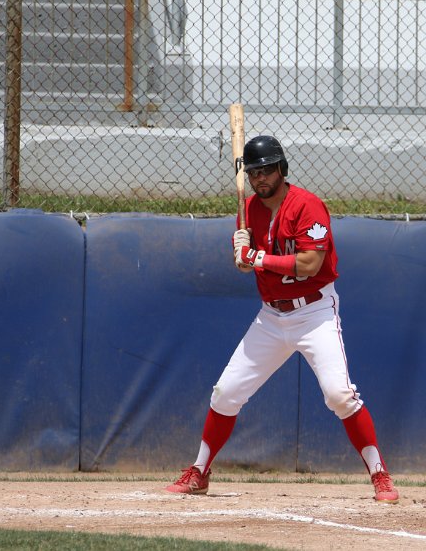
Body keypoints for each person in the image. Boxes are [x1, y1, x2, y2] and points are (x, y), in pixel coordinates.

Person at [166, 135, 399, 503]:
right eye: (254, 172)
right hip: (272, 317)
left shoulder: (308, 206)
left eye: (267, 170)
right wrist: (241, 254)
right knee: (226, 393)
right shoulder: (248, 211)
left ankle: (379, 474)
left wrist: (256, 257)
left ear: (282, 169)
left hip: (315, 313)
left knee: (339, 395)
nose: (260, 178)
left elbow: (310, 264)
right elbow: (246, 265)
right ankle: (200, 471)